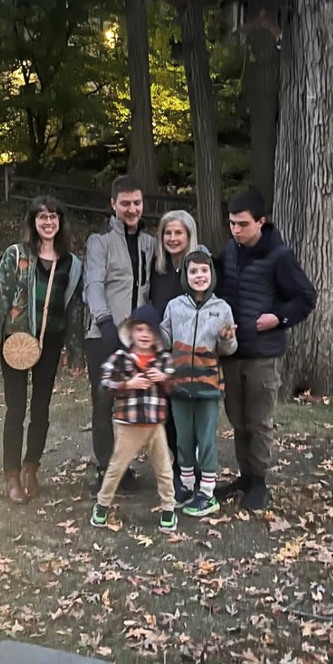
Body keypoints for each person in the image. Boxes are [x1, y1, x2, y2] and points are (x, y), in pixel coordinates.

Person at [213, 190, 316, 511]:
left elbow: (305, 297)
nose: (236, 230)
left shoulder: (279, 255)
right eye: (231, 224)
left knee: (259, 420)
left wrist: (278, 318)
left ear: (261, 221)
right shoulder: (230, 251)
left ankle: (259, 482)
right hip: (232, 352)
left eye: (243, 224)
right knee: (238, 420)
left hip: (263, 354)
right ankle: (244, 476)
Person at [0, 196, 82, 504]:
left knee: (41, 409)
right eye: (42, 217)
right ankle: (11, 476)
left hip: (50, 344)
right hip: (18, 342)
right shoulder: (17, 255)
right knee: (16, 409)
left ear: (60, 222)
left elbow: (74, 307)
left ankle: (31, 467)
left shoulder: (71, 264)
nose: (48, 222)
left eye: (53, 217)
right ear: (33, 222)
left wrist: (74, 349)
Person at [83, 175, 156, 496]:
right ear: (113, 204)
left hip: (136, 336)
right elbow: (93, 284)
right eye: (125, 203)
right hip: (103, 334)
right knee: (104, 402)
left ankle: (125, 465)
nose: (131, 209)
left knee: (132, 404)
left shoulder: (150, 242)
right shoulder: (99, 241)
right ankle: (105, 467)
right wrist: (105, 321)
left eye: (136, 203)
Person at [160, 250, 237, 517]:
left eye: (204, 271)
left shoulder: (222, 309)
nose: (199, 276)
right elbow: (164, 338)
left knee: (205, 440)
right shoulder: (174, 306)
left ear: (212, 275)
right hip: (178, 384)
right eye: (193, 271)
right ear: (186, 276)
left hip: (208, 386)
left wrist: (227, 338)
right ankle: (186, 484)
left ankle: (207, 492)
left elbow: (229, 348)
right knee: (183, 438)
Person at [90, 305, 177, 532]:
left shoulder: (162, 359)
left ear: (156, 336)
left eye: (149, 331)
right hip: (129, 424)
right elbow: (105, 384)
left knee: (164, 469)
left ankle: (168, 509)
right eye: (140, 330)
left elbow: (173, 387)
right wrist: (128, 384)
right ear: (131, 333)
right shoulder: (121, 358)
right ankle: (102, 505)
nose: (145, 335)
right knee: (116, 467)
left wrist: (163, 379)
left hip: (155, 425)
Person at [149, 208, 201, 501]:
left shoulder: (199, 266)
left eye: (178, 232)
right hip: (161, 349)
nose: (172, 238)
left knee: (187, 413)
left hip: (190, 352)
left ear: (189, 235)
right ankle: (180, 469)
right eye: (167, 233)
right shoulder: (157, 268)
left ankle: (191, 470)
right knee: (166, 413)